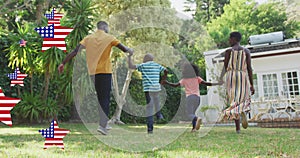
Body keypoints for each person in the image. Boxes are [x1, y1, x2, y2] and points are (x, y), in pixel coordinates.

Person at [58, 21, 134, 135]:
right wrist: (130, 51)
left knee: (100, 97)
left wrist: (63, 63)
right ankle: (102, 125)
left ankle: (103, 123)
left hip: (93, 72)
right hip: (105, 71)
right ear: (105, 27)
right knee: (105, 98)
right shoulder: (109, 38)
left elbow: (75, 51)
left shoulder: (88, 38)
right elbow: (125, 49)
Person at [164, 63, 221, 132]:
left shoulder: (184, 80)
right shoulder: (197, 78)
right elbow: (207, 83)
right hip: (197, 98)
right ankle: (194, 128)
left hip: (190, 98)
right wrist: (218, 83)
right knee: (193, 113)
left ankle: (197, 119)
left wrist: (167, 82)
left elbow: (175, 85)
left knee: (189, 114)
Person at [219, 31, 255, 134]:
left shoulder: (229, 51)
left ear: (234, 39)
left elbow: (225, 67)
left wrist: (221, 78)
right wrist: (251, 84)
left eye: (230, 39)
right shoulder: (246, 51)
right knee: (243, 99)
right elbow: (249, 68)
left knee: (233, 101)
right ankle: (242, 111)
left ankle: (238, 128)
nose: (229, 41)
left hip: (231, 76)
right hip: (243, 76)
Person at [127, 53, 167, 134]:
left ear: (145, 59)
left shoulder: (143, 65)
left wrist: (129, 57)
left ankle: (150, 129)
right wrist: (163, 79)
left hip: (148, 89)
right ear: (152, 59)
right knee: (156, 102)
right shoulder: (157, 65)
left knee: (150, 108)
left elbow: (131, 66)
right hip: (156, 88)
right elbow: (166, 70)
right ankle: (159, 115)